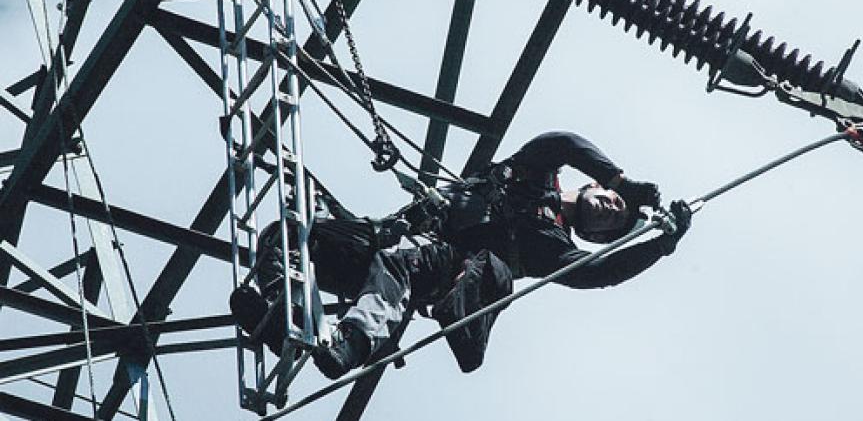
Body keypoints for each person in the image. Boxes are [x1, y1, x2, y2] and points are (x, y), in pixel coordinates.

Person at [230, 131, 692, 379]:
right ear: (594, 185)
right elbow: (564, 143)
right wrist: (622, 180)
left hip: (433, 267)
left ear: (594, 234)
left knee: (404, 258)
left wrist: (659, 246)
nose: (612, 210)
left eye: (613, 221)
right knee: (292, 232)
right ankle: (280, 314)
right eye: (612, 202)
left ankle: (349, 344)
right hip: (387, 245)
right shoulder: (534, 174)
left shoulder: (551, 249)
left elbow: (599, 273)